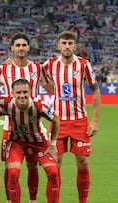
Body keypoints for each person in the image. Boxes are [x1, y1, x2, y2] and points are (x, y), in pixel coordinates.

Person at [0, 33, 53, 203]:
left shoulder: (37, 69)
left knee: (33, 165)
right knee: (10, 167)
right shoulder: (3, 69)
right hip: (10, 126)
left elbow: (51, 89)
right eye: (17, 45)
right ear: (11, 48)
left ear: (28, 47)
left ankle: (32, 200)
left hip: (34, 125)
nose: (20, 48)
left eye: (23, 45)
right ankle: (10, 199)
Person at [43, 31, 101, 203]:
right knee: (55, 164)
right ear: (58, 45)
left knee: (82, 161)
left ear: (75, 46)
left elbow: (95, 91)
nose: (67, 46)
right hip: (58, 121)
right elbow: (34, 73)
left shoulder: (84, 65)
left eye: (70, 43)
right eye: (64, 43)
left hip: (79, 121)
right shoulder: (51, 64)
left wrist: (95, 120)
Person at [0, 78, 60, 203]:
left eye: (25, 92)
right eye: (18, 93)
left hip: (38, 142)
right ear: (12, 93)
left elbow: (56, 119)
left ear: (30, 92)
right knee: (13, 173)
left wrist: (52, 144)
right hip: (17, 142)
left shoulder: (38, 105)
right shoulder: (6, 102)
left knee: (53, 173)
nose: (22, 96)